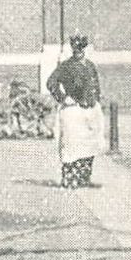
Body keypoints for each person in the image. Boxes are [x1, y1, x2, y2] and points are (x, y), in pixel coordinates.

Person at [46, 34, 107, 188]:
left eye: (81, 48)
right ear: (72, 49)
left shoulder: (91, 66)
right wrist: (63, 98)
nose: (78, 51)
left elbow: (95, 84)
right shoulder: (66, 66)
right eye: (76, 49)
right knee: (72, 145)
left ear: (84, 49)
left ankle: (84, 177)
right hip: (74, 111)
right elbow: (51, 82)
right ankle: (69, 177)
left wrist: (97, 99)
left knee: (90, 145)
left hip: (91, 110)